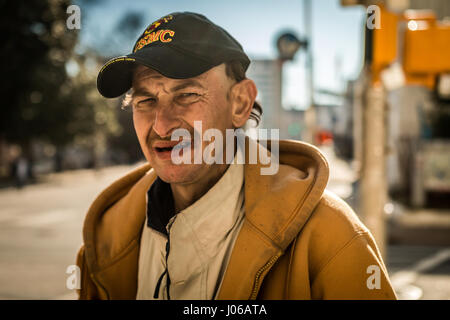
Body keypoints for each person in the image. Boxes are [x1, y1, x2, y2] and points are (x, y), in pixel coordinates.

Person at [76, 12, 397, 300]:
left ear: (241, 102)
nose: (161, 125)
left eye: (187, 94)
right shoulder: (104, 243)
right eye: (145, 100)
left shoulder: (330, 237)